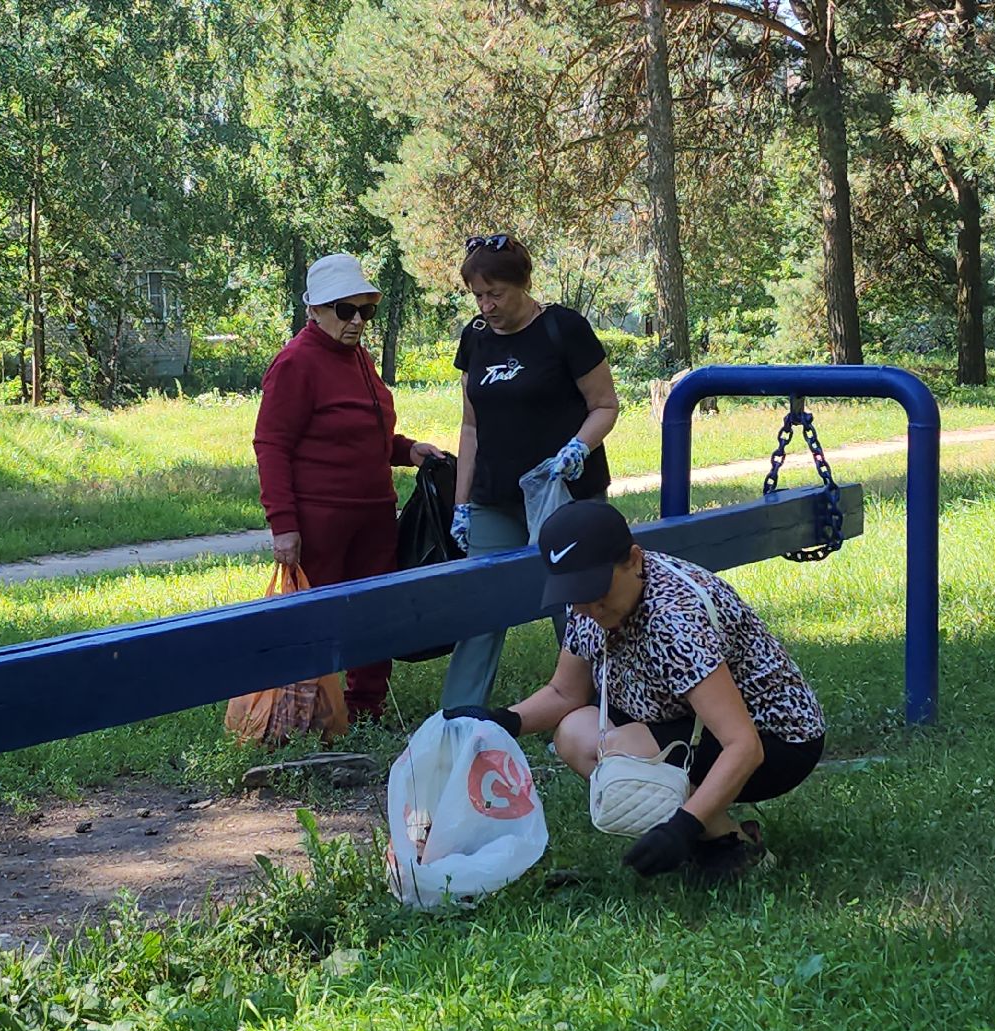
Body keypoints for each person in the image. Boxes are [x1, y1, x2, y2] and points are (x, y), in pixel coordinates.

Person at [449, 501, 826, 881]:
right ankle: (722, 835)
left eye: (598, 590)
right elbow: (565, 694)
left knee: (622, 749)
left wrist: (682, 827)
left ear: (634, 560)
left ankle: (730, 847)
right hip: (682, 721)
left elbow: (744, 746)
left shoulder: (675, 621)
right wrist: (499, 721)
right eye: (576, 592)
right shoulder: (587, 602)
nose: (591, 607)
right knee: (576, 733)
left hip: (776, 741)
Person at [253, 252, 443, 720]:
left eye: (366, 311)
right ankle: (305, 713)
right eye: (345, 310)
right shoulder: (296, 363)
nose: (357, 320)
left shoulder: (359, 358)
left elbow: (366, 432)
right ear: (315, 310)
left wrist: (408, 450)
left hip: (375, 514)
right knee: (318, 618)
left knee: (374, 612)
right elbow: (271, 444)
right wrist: (284, 525)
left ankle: (365, 707)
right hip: (321, 519)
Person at [441, 234, 620, 709]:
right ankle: (458, 719)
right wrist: (461, 504)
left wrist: (578, 448)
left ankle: (595, 713)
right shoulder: (475, 336)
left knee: (577, 606)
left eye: (495, 293)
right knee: (480, 609)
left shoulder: (564, 329)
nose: (486, 305)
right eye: (478, 295)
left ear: (522, 284)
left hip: (564, 496)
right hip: (494, 497)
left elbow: (605, 405)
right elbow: (470, 426)